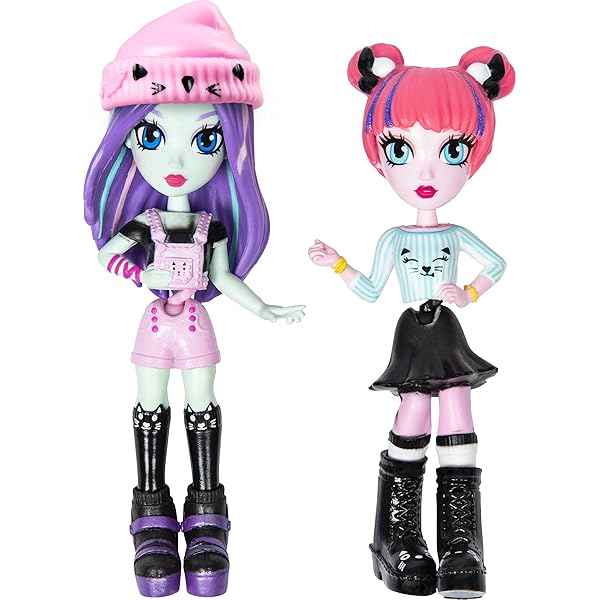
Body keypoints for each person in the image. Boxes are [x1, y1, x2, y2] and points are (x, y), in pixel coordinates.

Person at [84, 2, 304, 596]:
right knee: (149, 403)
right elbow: (107, 255)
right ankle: (151, 510)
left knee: (202, 404)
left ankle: (207, 511)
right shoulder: (146, 222)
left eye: (206, 138)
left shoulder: (212, 225)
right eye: (152, 136)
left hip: (197, 322)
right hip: (157, 322)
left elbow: (224, 278)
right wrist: (141, 272)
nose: (177, 161)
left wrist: (264, 308)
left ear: (231, 141)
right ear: (126, 141)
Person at [309, 43, 514, 598]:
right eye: (401, 149)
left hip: (446, 326)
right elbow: (371, 289)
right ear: (381, 158)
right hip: (411, 331)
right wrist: (339, 265)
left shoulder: (455, 234)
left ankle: (461, 542)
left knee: (459, 405)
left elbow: (496, 265)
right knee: (415, 407)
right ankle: (396, 534)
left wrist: (468, 293)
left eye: (451, 150)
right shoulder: (393, 239)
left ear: (473, 157)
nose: (425, 172)